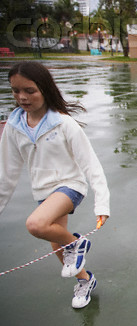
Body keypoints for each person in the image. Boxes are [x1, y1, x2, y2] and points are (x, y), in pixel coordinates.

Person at [0, 61, 110, 309]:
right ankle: (86, 280)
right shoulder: (14, 127)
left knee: (36, 224)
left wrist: (102, 202)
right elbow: (6, 174)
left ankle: (77, 243)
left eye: (29, 90)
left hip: (70, 186)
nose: (22, 97)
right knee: (56, 246)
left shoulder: (64, 123)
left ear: (45, 89)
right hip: (44, 193)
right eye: (16, 91)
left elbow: (91, 164)